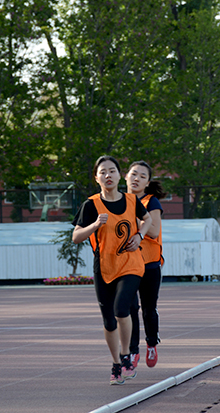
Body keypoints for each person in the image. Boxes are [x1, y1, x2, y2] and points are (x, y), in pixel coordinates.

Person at [72, 155, 152, 385]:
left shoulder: (131, 200)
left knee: (121, 309)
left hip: (131, 264)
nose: (108, 175)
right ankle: (116, 363)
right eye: (103, 172)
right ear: (96, 178)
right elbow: (76, 236)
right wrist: (95, 224)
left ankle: (126, 355)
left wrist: (140, 235)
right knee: (108, 321)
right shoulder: (91, 205)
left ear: (120, 175)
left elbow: (147, 219)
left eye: (112, 171)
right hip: (104, 267)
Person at [126, 160, 166, 369]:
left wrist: (135, 218)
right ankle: (133, 351)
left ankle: (151, 343)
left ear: (147, 182)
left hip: (149, 264)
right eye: (134, 174)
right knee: (129, 308)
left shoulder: (151, 202)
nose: (137, 179)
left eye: (142, 176)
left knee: (148, 309)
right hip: (126, 264)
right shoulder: (118, 201)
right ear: (126, 177)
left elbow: (154, 231)